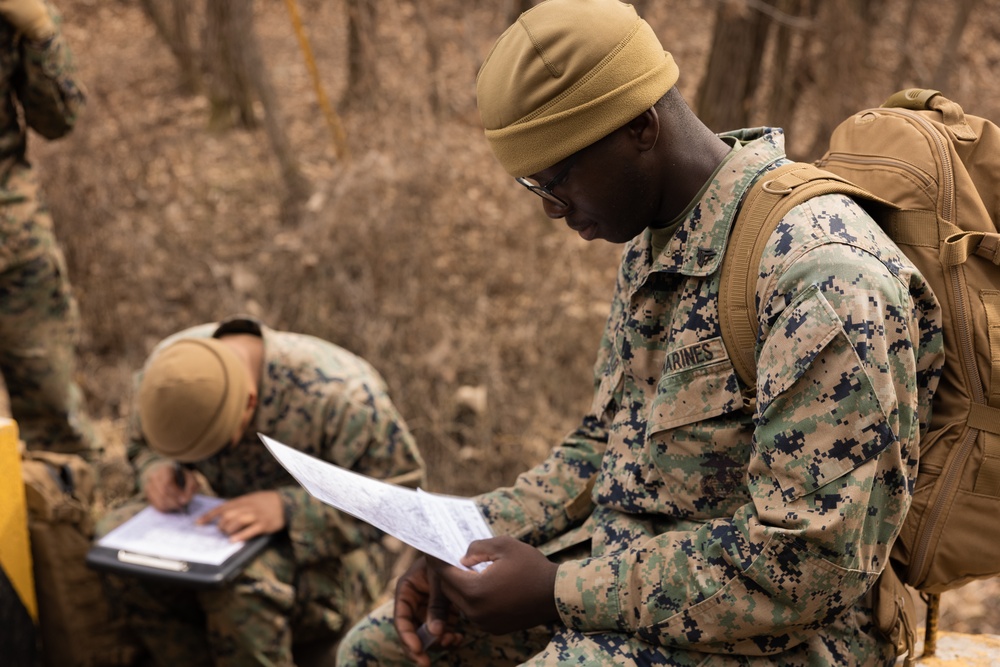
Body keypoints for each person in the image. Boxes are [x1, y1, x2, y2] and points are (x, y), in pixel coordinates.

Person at [337, 1, 945, 665]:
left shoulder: (821, 275)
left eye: (558, 174)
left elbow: (806, 567)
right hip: (639, 577)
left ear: (641, 127)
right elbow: (605, 445)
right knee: (380, 649)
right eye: (531, 182)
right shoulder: (660, 236)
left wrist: (559, 590)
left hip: (794, 631)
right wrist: (467, 541)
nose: (549, 206)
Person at [97, 317, 426, 667]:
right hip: (218, 527)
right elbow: (144, 442)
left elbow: (398, 497)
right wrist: (157, 467)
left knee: (240, 585)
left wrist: (289, 509)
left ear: (250, 404)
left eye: (211, 448)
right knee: (115, 544)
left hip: (332, 556)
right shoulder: (170, 371)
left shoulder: (341, 395)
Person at [0, 0, 100, 458]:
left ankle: (68, 520)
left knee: (55, 419)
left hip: (15, 246)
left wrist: (40, 33)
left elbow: (60, 119)